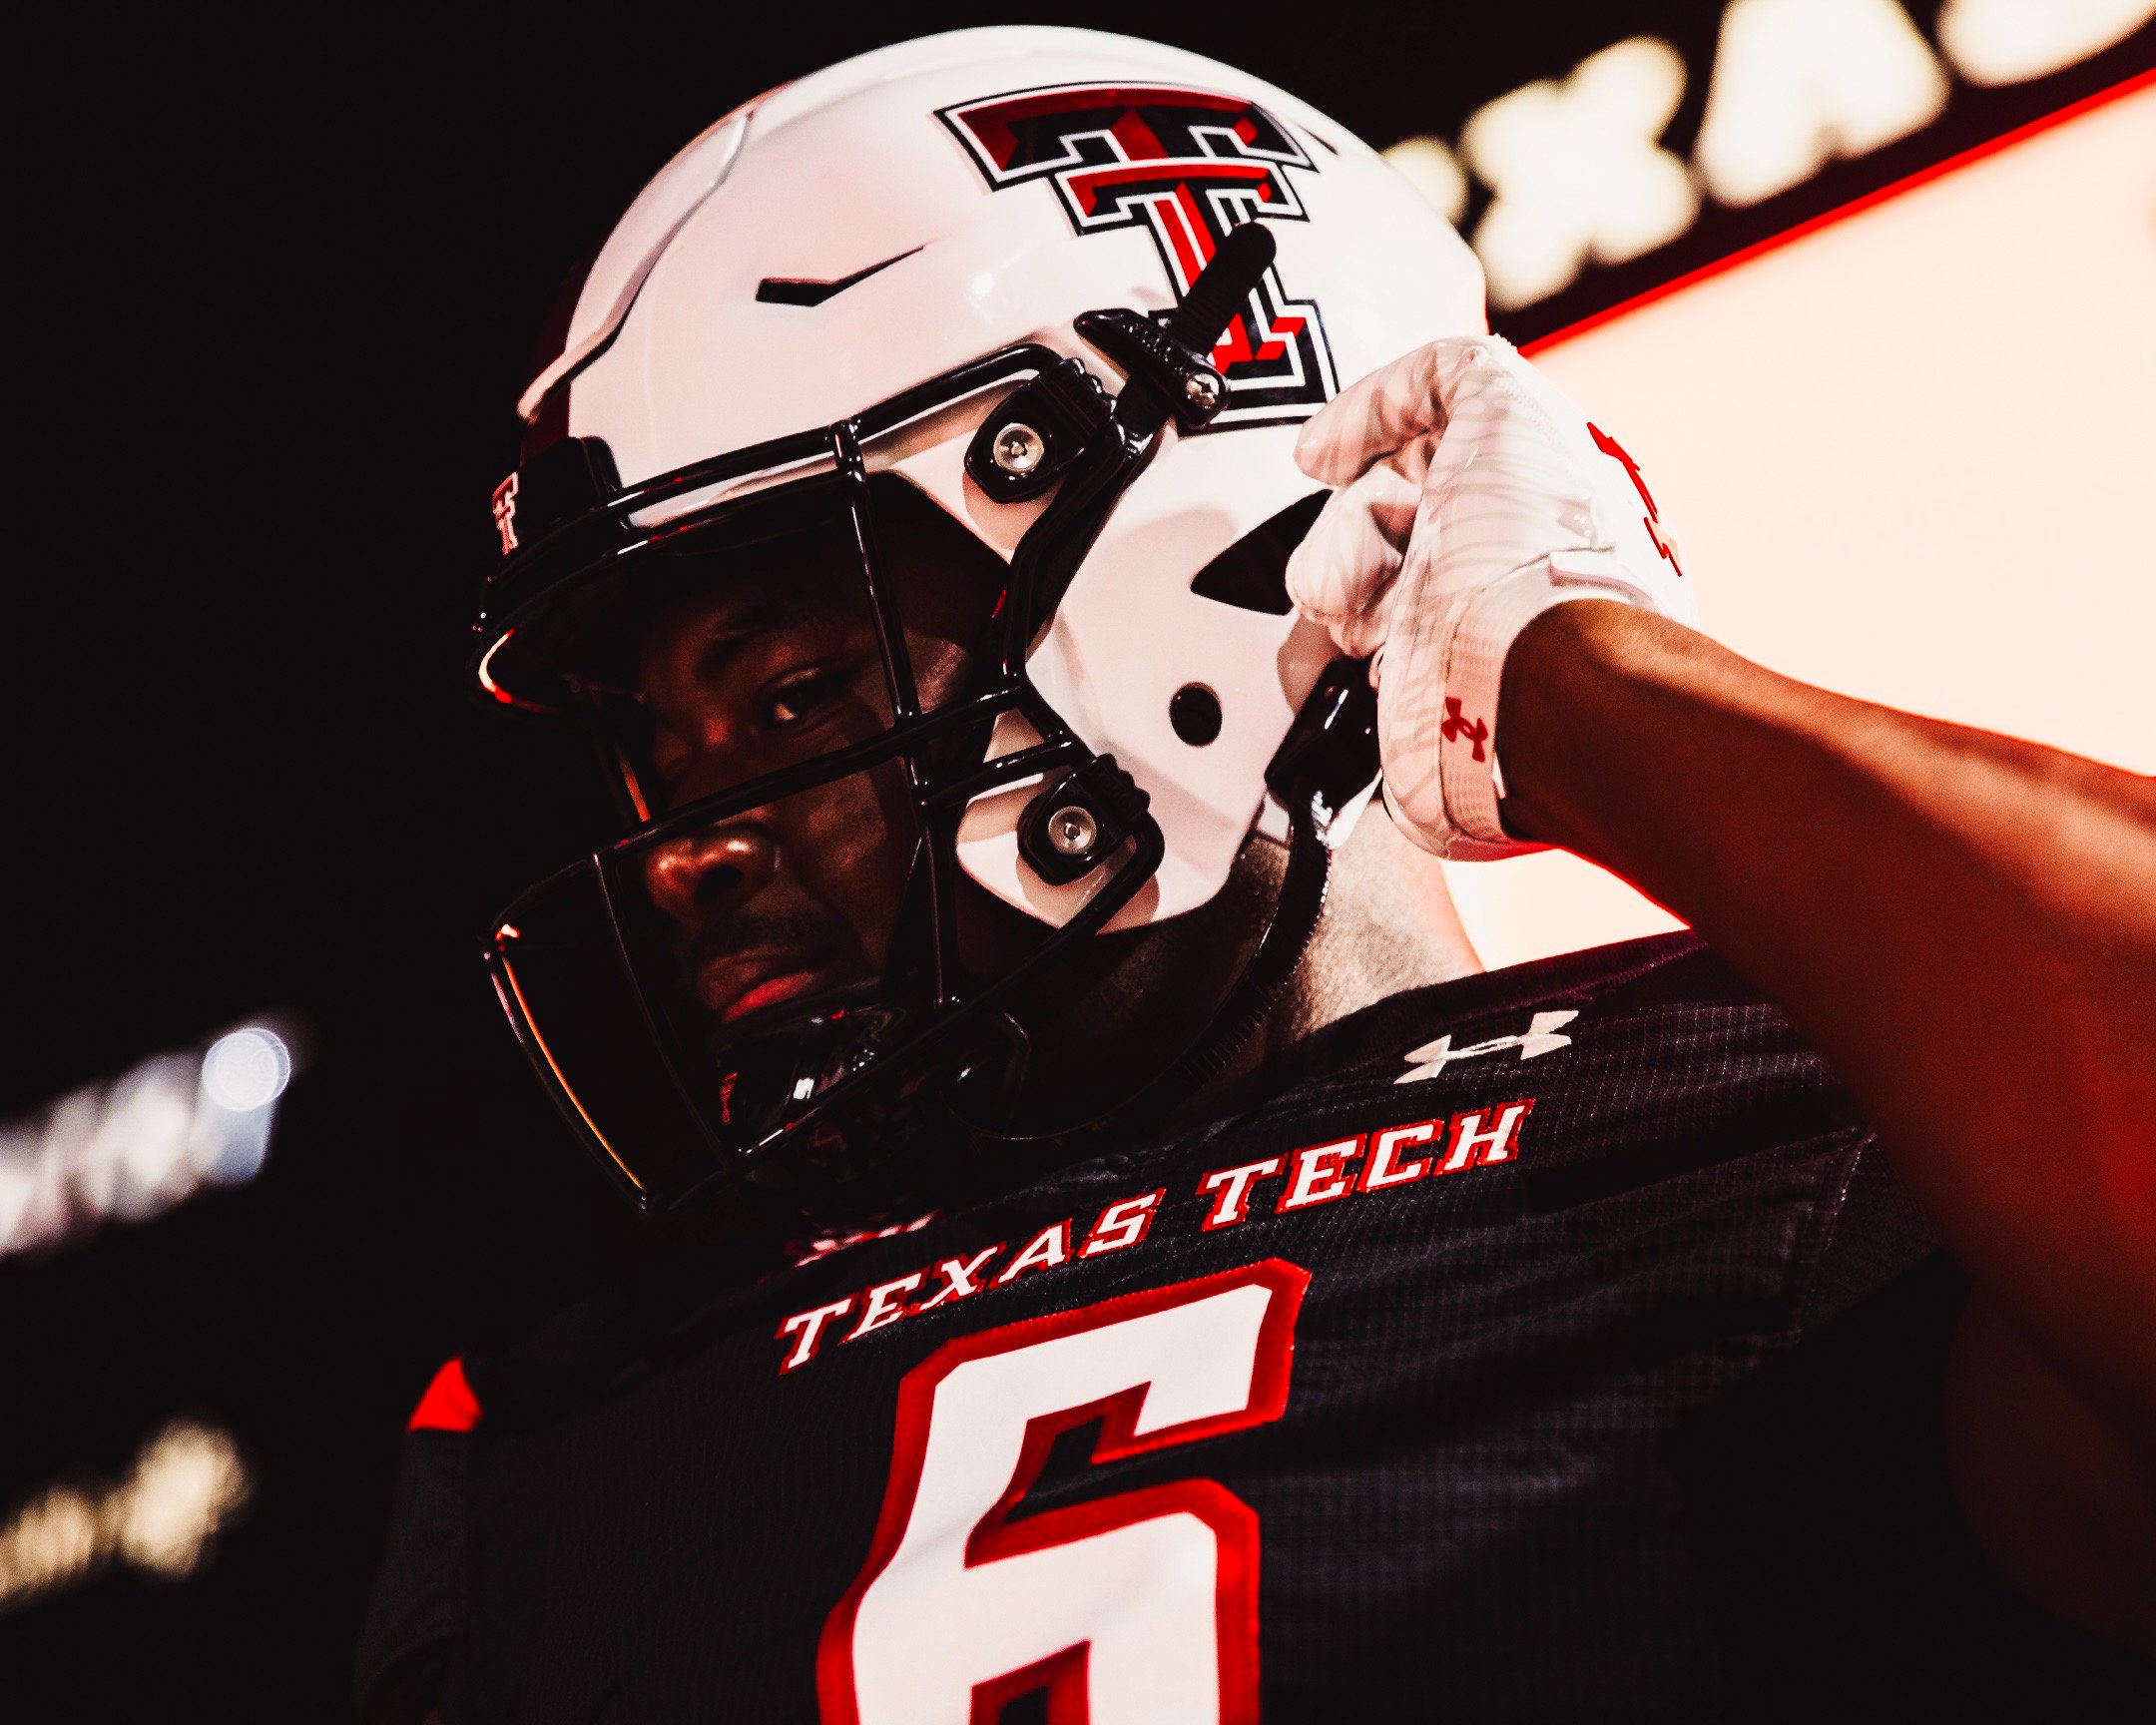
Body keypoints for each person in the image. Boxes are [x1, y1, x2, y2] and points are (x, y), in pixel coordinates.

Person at [358, 26, 2154, 1723]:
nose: (687, 854)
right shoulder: (574, 1430)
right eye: (665, 764)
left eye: (796, 695)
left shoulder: (1824, 1113)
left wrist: (1577, 675)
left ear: (1174, 559)